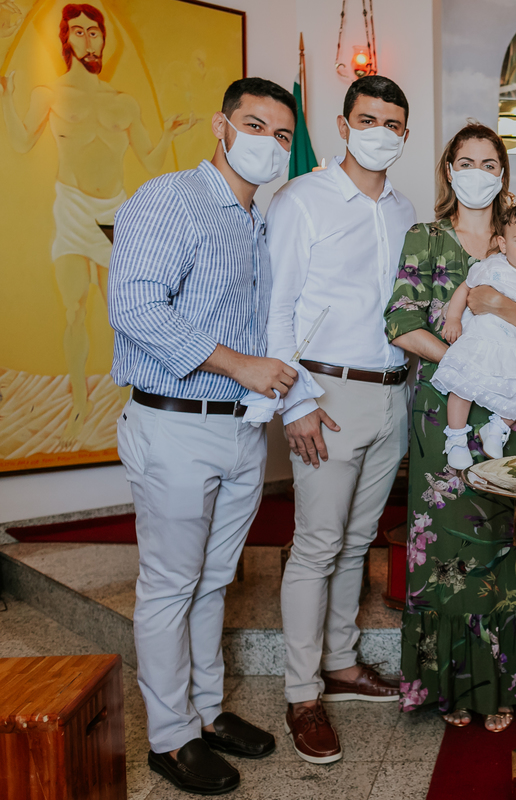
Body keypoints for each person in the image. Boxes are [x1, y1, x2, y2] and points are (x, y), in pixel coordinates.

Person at [108, 77, 296, 794]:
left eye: (281, 135)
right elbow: (134, 306)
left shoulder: (256, 220)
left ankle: (207, 714)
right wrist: (239, 364)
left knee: (215, 582)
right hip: (175, 423)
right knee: (169, 587)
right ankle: (168, 738)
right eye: (256, 126)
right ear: (221, 126)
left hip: (241, 431)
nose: (269, 145)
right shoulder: (170, 199)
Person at [385, 123, 516, 733]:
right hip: (451, 413)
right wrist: (471, 368)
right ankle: (454, 686)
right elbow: (403, 323)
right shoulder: (427, 239)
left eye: (491, 163)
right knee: (450, 550)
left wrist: (499, 312)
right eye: (467, 161)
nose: (479, 171)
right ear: (448, 169)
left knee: (511, 545)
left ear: (504, 175)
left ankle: (508, 683)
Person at [266, 75, 416, 765]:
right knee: (317, 545)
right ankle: (301, 693)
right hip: (325, 393)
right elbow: (276, 305)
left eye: (391, 122)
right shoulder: (304, 200)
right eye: (367, 118)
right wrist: (293, 402)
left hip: (392, 391)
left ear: (404, 135)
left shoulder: (404, 209)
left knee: (358, 542)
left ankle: (343, 665)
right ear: (343, 122)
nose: (378, 131)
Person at [1, 2, 196, 441]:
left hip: (115, 214)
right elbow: (19, 140)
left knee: (122, 310)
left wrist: (167, 133)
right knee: (74, 308)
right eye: (79, 31)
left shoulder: (122, 103)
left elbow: (150, 160)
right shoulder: (48, 94)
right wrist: (5, 98)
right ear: (66, 39)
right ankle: (79, 404)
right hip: (71, 209)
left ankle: (131, 396)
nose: (88, 39)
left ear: (104, 40)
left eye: (95, 32)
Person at [433, 204, 516, 468]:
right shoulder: (492, 266)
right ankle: (456, 438)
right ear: (503, 244)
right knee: (462, 384)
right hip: (481, 338)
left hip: (513, 345)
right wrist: (454, 318)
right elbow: (465, 289)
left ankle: (496, 429)